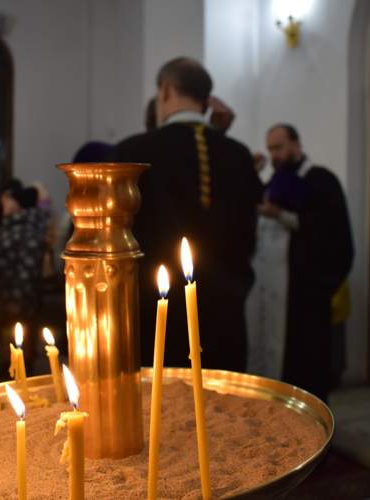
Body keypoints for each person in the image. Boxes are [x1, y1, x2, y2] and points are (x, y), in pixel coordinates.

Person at [111, 57, 262, 372]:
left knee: (161, 415)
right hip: (225, 313)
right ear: (206, 100)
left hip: (157, 315)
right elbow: (247, 235)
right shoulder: (238, 154)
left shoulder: (132, 151)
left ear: (165, 91)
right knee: (222, 412)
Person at [246, 124, 353, 401]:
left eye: (279, 147)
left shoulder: (321, 180)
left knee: (305, 373)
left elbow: (332, 233)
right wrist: (251, 175)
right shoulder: (274, 182)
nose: (275, 155)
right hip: (269, 295)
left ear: (296, 144)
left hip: (304, 299)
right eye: (270, 149)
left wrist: (281, 215)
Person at [0, 185, 48, 375]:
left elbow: (28, 269)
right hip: (5, 297)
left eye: (8, 200)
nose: (3, 203)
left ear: (18, 204)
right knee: (8, 347)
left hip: (18, 300)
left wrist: (17, 300)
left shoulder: (27, 228)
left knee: (20, 349)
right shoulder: (9, 225)